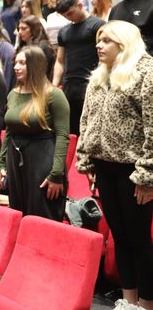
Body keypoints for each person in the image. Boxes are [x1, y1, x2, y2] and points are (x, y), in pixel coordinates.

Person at [76, 21, 153, 310]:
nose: (99, 45)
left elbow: (152, 127)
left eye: (106, 40)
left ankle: (146, 303)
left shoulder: (147, 72)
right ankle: (128, 300)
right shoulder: (100, 75)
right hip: (104, 167)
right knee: (119, 238)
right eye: (99, 39)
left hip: (133, 170)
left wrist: (147, 176)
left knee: (139, 240)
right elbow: (86, 120)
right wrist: (87, 160)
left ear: (124, 42)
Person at [0, 46, 70, 221]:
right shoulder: (13, 94)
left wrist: (56, 174)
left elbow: (62, 136)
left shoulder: (54, 94)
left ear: (36, 65)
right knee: (19, 214)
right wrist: (2, 163)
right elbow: (9, 132)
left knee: (42, 217)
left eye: (22, 63)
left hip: (42, 160)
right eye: (16, 62)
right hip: (16, 161)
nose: (16, 67)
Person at [53, 0, 105, 135]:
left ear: (80, 5)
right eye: (65, 16)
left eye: (70, 13)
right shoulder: (64, 31)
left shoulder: (98, 25)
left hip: (90, 84)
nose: (69, 18)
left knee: (90, 129)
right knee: (70, 129)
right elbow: (60, 60)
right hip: (69, 86)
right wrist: (54, 85)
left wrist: (98, 82)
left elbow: (105, 57)